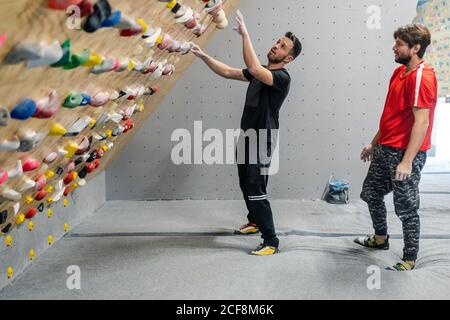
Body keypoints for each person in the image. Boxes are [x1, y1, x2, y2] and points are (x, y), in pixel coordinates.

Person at [190, 10, 302, 255]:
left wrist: (245, 34)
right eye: (277, 41)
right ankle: (254, 222)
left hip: (262, 140)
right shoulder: (260, 71)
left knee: (256, 188)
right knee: (244, 182)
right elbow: (229, 72)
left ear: (288, 58)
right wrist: (203, 56)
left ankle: (271, 241)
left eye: (282, 46)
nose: (275, 46)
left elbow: (252, 66)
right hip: (247, 137)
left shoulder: (281, 77)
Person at [354, 24, 437, 271]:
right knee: (370, 193)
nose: (394, 46)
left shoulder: (423, 77)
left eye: (399, 43)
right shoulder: (399, 73)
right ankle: (380, 240)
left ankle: (410, 259)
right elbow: (391, 115)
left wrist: (408, 160)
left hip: (405, 153)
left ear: (415, 48)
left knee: (406, 208)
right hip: (385, 149)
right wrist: (374, 142)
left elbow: (422, 121)